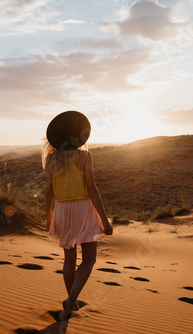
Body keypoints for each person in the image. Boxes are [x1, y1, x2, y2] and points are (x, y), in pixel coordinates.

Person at [42, 110, 113, 321]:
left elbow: (47, 192)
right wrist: (104, 219)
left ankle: (68, 302)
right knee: (89, 259)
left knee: (69, 259)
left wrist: (48, 216)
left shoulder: (51, 159)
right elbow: (92, 189)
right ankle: (72, 299)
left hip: (62, 210)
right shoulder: (85, 156)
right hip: (84, 208)